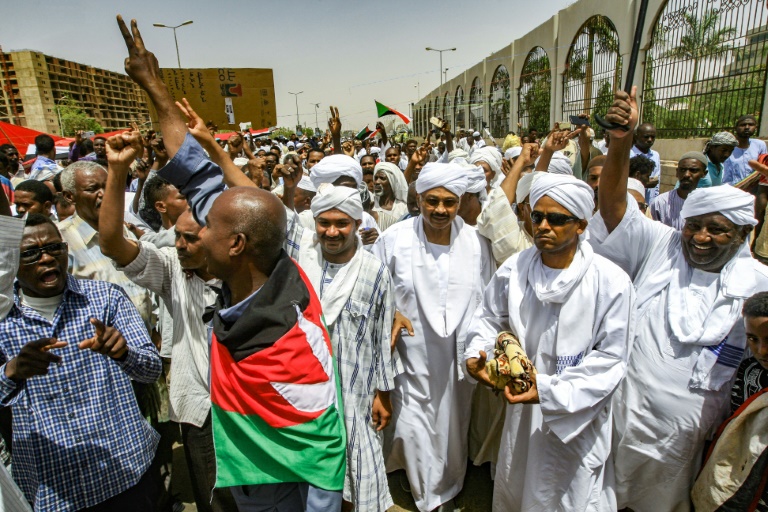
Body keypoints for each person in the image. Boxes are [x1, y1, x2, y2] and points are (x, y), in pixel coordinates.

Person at [116, 16, 346, 510]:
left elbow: (324, 458)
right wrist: (153, 85)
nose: (196, 230)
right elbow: (196, 173)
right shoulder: (275, 266)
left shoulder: (290, 352)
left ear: (237, 244)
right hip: (236, 479)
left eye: (207, 227)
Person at [590, 86, 768, 512]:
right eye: (694, 226)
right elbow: (613, 207)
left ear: (744, 234)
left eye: (717, 229)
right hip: (624, 420)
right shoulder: (663, 245)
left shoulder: (758, 284)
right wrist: (620, 141)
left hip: (691, 442)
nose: (700, 237)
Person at [465, 173, 635, 511]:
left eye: (556, 219)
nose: (543, 226)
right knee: (518, 485)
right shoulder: (515, 269)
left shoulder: (610, 282)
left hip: (577, 414)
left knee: (569, 494)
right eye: (537, 216)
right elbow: (488, 317)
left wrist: (548, 391)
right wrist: (476, 354)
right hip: (521, 411)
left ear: (581, 225)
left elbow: (611, 359)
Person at [97, 129, 236, 512]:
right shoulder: (172, 269)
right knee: (215, 501)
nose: (179, 245)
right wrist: (117, 172)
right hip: (201, 412)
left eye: (191, 239)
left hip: (249, 410)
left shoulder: (246, 273)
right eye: (178, 236)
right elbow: (111, 244)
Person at [0, 212, 162, 511]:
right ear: (11, 261)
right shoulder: (3, 320)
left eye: (54, 248)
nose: (46, 258)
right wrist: (12, 371)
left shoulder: (106, 298)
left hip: (125, 472)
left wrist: (123, 354)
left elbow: (151, 370)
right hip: (53, 490)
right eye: (31, 253)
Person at [373, 161, 495, 512]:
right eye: (432, 201)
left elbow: (488, 300)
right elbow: (374, 289)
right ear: (419, 199)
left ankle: (442, 483)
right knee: (412, 422)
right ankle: (429, 494)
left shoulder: (476, 243)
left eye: (449, 202)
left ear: (460, 202)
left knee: (450, 427)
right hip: (409, 355)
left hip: (457, 357)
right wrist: (390, 314)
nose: (440, 210)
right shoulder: (393, 240)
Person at [296, 183, 400, 512]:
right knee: (316, 474)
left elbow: (382, 337)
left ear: (357, 223)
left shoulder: (374, 271)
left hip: (358, 392)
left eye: (341, 223)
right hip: (308, 391)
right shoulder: (303, 261)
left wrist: (383, 394)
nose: (332, 232)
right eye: (324, 223)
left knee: (359, 470)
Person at [692, 291, 768, 510]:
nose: (761, 350)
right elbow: (737, 431)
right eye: (752, 339)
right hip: (743, 484)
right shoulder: (749, 371)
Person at [57, 161, 153, 323]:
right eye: (92, 189)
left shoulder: (124, 230)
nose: (103, 194)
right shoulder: (61, 240)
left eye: (107, 186)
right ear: (69, 196)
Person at [650, 152, 708, 230]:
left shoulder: (708, 204)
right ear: (677, 172)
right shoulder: (660, 203)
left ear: (704, 174)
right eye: (682, 170)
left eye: (693, 170)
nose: (686, 175)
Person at [724, 115, 767, 185]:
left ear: (756, 128)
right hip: (731, 187)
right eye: (743, 125)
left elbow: (763, 168)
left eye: (751, 125)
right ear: (736, 128)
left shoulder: (760, 145)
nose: (747, 127)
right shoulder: (727, 147)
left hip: (754, 187)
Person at [372, 161, 408, 231]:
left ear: (391, 182)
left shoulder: (403, 208)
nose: (377, 182)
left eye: (382, 178)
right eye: (376, 178)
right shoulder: (371, 203)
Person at [630, 123, 661, 204]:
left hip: (649, 202)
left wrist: (655, 200)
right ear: (636, 137)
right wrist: (644, 183)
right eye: (646, 137)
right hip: (633, 200)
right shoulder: (628, 154)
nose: (650, 140)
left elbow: (657, 180)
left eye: (653, 137)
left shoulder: (655, 155)